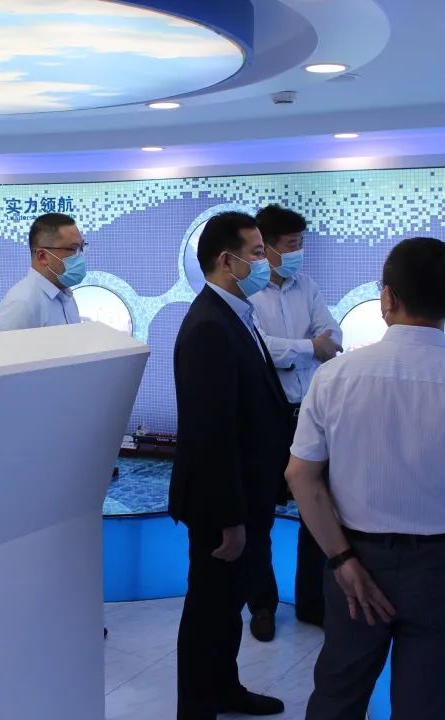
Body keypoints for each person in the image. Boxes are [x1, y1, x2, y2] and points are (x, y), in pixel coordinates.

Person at [285, 237, 445, 720]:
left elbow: (301, 475)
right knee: (424, 707)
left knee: (338, 696)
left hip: (356, 557)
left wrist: (342, 561)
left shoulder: (334, 378)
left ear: (388, 297)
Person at [170, 211, 291, 719]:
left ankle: (224, 687)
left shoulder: (236, 314)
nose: (267, 263)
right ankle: (197, 707)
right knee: (209, 610)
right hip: (222, 505)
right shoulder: (208, 327)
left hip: (247, 493)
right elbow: (211, 433)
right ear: (227, 260)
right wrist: (230, 518)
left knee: (226, 607)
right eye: (258, 253)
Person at [247, 204, 342, 641]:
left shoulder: (308, 285)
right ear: (266, 248)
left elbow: (333, 336)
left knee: (315, 508)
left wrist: (302, 348)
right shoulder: (248, 292)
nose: (298, 252)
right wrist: (308, 347)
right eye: (291, 244)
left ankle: (312, 603)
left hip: (309, 412)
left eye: (301, 243)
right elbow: (262, 350)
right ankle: (262, 606)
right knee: (260, 515)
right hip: (266, 415)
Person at [0, 213, 85, 332]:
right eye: (73, 249)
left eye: (82, 247)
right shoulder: (21, 305)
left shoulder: (65, 296)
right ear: (42, 256)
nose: (80, 256)